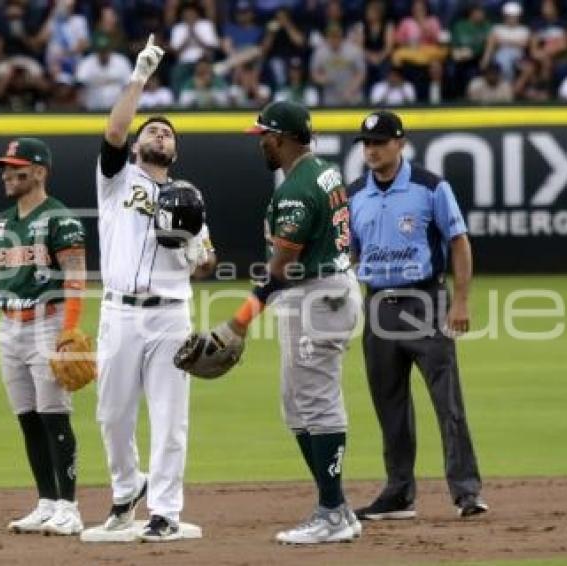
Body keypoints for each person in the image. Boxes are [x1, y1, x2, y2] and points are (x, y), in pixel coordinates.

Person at [191, 100, 363, 544]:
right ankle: (336, 505)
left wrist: (238, 322)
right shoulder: (324, 170)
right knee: (296, 404)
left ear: (282, 138)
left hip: (317, 296)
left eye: (264, 135)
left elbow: (282, 268)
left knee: (319, 403)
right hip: (327, 287)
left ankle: (331, 514)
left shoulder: (296, 190)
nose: (260, 142)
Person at [79, 34, 216, 543]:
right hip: (118, 311)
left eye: (167, 132)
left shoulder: (189, 198)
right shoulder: (117, 179)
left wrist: (191, 249)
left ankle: (165, 512)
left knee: (169, 416)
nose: (160, 134)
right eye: (152, 130)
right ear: (138, 146)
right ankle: (124, 493)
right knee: (111, 413)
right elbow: (115, 129)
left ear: (174, 150)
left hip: (170, 315)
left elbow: (206, 261)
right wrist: (139, 77)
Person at [348, 110, 488, 522]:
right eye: (367, 144)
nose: (372, 150)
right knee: (388, 404)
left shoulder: (430, 187)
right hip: (378, 304)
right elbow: (352, 252)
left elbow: (458, 241)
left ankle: (466, 491)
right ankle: (398, 493)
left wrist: (460, 301)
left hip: (425, 301)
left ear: (400, 143)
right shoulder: (355, 193)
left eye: (380, 142)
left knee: (448, 402)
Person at [0, 137, 88, 536]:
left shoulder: (61, 218)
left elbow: (74, 278)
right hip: (11, 328)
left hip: (48, 323)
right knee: (28, 419)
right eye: (4, 167)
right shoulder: (0, 223)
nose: (6, 174)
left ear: (39, 172)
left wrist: (69, 328)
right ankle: (46, 502)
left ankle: (69, 507)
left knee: (54, 415)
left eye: (16, 168)